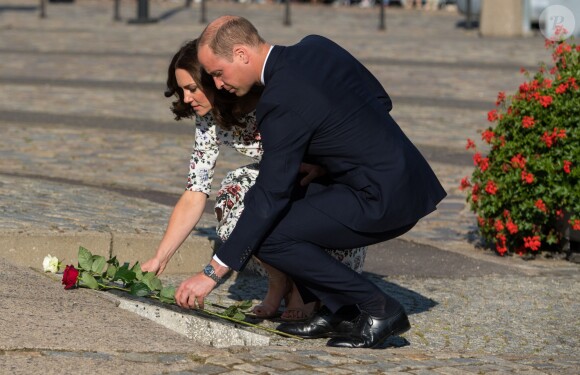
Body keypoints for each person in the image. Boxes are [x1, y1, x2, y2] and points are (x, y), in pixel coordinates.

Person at [178, 16, 447, 349]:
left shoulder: (278, 101)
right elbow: (380, 100)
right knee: (288, 207)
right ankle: (341, 310)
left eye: (218, 73)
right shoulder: (316, 46)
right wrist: (325, 163)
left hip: (382, 197)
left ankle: (381, 309)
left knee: (269, 236)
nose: (217, 85)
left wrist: (212, 273)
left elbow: (270, 194)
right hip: (402, 177)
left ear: (241, 53)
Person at [141, 39, 368, 321]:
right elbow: (195, 191)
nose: (186, 99)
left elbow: (338, 133)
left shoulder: (272, 98)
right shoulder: (208, 119)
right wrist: (160, 258)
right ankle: (278, 281)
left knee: (282, 199)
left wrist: (323, 167)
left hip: (320, 188)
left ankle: (303, 287)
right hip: (274, 183)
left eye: (191, 88)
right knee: (235, 191)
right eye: (181, 90)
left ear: (215, 80)